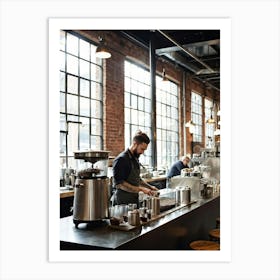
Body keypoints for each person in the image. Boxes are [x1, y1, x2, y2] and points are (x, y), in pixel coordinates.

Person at [112, 130, 158, 206]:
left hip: (133, 199)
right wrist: (141, 189)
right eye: (142, 149)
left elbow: (137, 179)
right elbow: (120, 184)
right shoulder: (121, 159)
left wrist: (150, 187)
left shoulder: (135, 158)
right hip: (122, 201)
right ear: (134, 144)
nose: (142, 152)